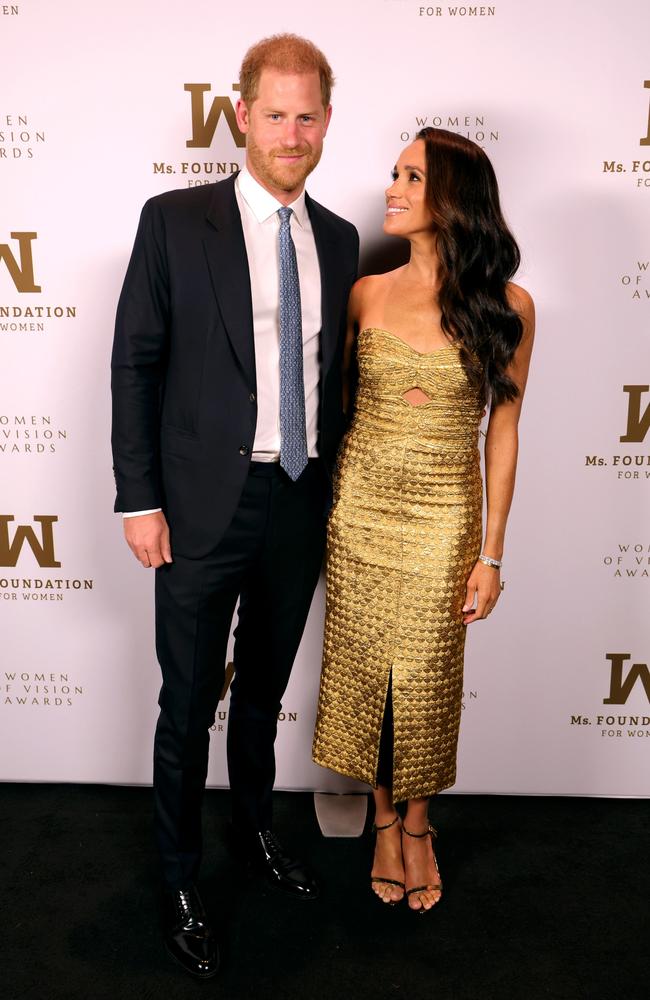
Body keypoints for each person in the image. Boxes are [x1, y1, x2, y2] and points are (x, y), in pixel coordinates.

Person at [111, 34, 358, 978]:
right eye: (275, 113)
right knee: (187, 707)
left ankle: (255, 834)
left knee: (260, 697)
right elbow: (135, 364)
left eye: (308, 116)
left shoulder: (336, 238)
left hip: (298, 501)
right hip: (198, 508)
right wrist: (141, 499)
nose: (291, 134)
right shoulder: (175, 222)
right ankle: (180, 876)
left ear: (326, 122)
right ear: (241, 115)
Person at [312, 127, 534, 913]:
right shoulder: (366, 291)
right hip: (361, 509)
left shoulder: (508, 306)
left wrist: (493, 553)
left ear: (453, 199)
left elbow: (502, 431)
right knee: (368, 672)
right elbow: (332, 409)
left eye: (412, 176)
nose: (392, 189)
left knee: (428, 680)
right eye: (394, 173)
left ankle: (419, 822)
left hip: (445, 514)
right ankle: (380, 818)